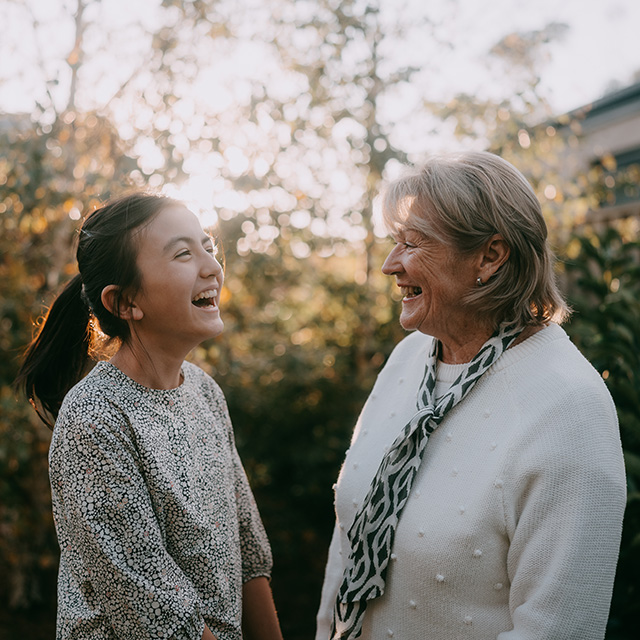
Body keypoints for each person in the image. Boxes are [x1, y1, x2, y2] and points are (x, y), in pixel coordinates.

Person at [316, 151, 626, 640]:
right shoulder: (407, 360)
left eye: (412, 244)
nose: (389, 265)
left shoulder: (570, 407)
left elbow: (557, 629)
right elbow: (348, 545)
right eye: (395, 242)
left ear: (490, 256)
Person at [15, 193, 283, 640]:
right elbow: (157, 616)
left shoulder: (204, 392)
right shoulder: (95, 418)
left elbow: (248, 551)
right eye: (183, 253)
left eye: (207, 246)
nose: (212, 267)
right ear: (123, 303)